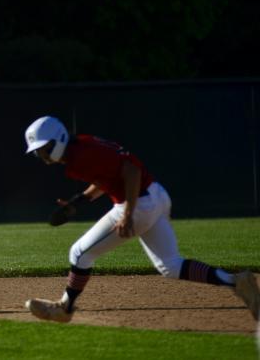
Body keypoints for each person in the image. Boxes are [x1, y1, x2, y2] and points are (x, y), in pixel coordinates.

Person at [22, 115, 260, 323]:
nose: (41, 154)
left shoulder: (81, 155)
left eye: (44, 148)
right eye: (38, 151)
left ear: (59, 139)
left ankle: (65, 308)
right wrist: (78, 201)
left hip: (138, 203)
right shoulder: (81, 147)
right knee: (171, 265)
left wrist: (127, 215)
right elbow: (108, 176)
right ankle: (237, 282)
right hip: (155, 194)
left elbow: (131, 172)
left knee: (79, 254)